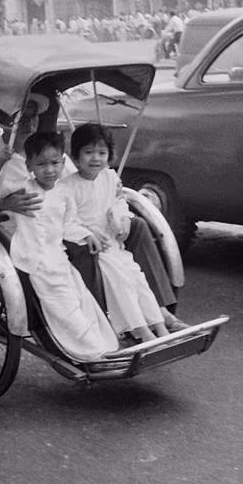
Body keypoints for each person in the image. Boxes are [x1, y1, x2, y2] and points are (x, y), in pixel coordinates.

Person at [0, 130, 122, 360]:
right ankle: (91, 348)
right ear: (29, 165)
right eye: (41, 164)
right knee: (61, 300)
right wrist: (1, 163)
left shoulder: (64, 192)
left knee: (77, 296)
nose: (50, 170)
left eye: (55, 163)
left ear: (63, 163)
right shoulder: (23, 187)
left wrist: (86, 234)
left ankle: (99, 340)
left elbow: (69, 224)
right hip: (31, 256)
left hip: (57, 256)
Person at [60, 123, 188, 340]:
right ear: (75, 156)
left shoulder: (109, 178)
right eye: (88, 153)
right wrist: (86, 232)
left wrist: (123, 220)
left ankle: (160, 321)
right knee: (122, 281)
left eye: (101, 153)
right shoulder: (68, 186)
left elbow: (119, 202)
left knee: (135, 276)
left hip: (113, 240)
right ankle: (142, 329)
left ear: (109, 155)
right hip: (92, 244)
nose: (95, 158)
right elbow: (66, 220)